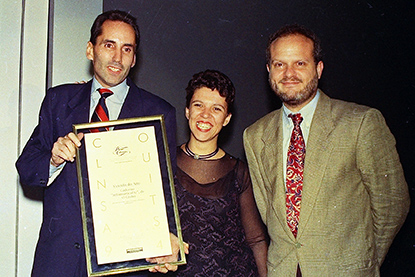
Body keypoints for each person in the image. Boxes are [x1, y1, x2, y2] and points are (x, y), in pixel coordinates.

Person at [16, 10, 179, 276]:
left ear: (135, 58)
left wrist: (167, 238)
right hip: (60, 259)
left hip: (124, 264)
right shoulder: (58, 100)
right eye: (109, 45)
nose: (117, 58)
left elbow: (166, 190)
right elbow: (26, 169)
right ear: (90, 50)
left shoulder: (159, 113)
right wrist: (54, 158)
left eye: (127, 49)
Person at [243, 24, 410, 276]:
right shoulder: (254, 135)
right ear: (269, 70)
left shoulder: (361, 123)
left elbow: (392, 203)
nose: (289, 73)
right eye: (279, 64)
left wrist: (363, 261)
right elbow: (269, 212)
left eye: (300, 63)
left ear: (318, 69)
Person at [172, 69, 268, 276]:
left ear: (226, 118)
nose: (205, 115)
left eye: (216, 108)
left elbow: (256, 239)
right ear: (187, 111)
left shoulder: (239, 171)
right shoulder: (163, 160)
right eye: (198, 105)